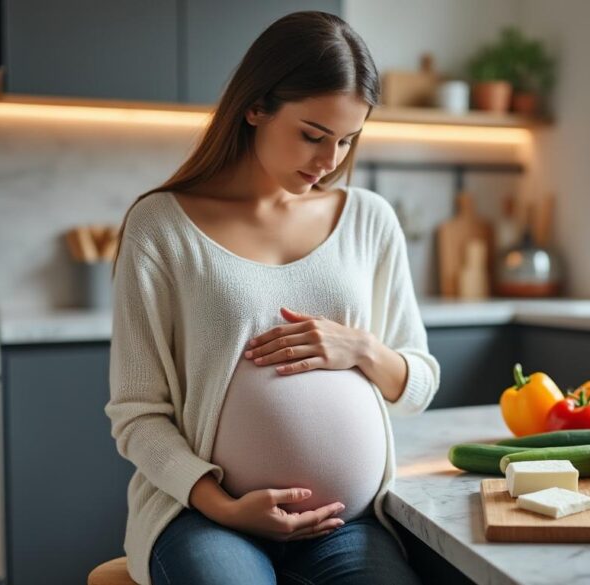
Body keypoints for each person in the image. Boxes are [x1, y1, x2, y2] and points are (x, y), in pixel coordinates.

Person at [105, 11, 440, 585]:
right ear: (255, 107)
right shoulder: (162, 226)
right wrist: (223, 504)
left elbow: (419, 384)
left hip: (348, 524)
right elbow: (137, 415)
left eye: (346, 140)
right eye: (312, 135)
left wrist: (359, 347)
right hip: (204, 519)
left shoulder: (369, 221)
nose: (329, 161)